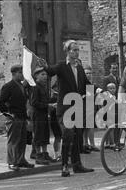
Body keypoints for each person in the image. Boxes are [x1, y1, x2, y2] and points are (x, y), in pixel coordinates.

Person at [39, 40, 95, 177]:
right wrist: (45, 66)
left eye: (77, 50)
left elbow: (87, 85)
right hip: (65, 109)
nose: (76, 52)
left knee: (77, 137)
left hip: (77, 107)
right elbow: (51, 71)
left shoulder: (80, 68)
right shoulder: (62, 66)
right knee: (68, 135)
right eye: (74, 50)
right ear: (68, 51)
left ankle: (77, 165)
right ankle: (64, 166)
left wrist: (99, 90)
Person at [0, 64, 35, 171]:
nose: (23, 75)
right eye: (20, 73)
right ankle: (12, 161)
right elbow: (0, 102)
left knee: (22, 139)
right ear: (14, 74)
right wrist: (8, 114)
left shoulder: (22, 86)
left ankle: (20, 159)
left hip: (22, 116)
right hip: (13, 117)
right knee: (13, 140)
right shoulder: (8, 86)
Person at [30, 67, 55, 165]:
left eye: (45, 75)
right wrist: (47, 105)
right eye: (42, 75)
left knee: (45, 134)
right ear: (36, 76)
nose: (45, 77)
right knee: (38, 135)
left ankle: (45, 153)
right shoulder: (35, 87)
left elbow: (45, 100)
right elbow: (34, 102)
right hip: (38, 114)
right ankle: (38, 155)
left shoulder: (43, 87)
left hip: (44, 114)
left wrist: (52, 102)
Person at [83, 65, 100, 152]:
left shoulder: (92, 84)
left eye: (90, 73)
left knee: (90, 126)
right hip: (83, 107)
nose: (88, 75)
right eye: (86, 73)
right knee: (86, 127)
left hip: (91, 107)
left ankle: (91, 144)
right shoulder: (82, 84)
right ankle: (86, 143)